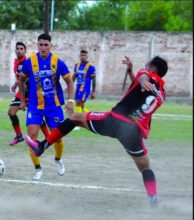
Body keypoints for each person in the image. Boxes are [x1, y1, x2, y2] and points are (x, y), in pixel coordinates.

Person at [25, 56, 168, 203]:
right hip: (134, 133)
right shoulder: (162, 94)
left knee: (75, 118)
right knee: (145, 168)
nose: (144, 66)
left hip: (117, 121)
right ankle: (153, 198)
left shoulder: (147, 75)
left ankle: (41, 146)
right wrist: (132, 73)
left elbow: (143, 78)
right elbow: (137, 88)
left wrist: (143, 79)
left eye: (147, 65)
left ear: (153, 69)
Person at [18, 33, 74, 180]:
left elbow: (69, 81)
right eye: (40, 45)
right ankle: (37, 168)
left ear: (51, 46)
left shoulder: (58, 62)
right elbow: (21, 80)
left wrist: (70, 101)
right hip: (34, 106)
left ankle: (57, 159)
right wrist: (23, 100)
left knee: (57, 138)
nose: (43, 47)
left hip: (53, 106)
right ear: (37, 45)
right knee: (31, 137)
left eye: (46, 45)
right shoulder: (30, 62)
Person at [8, 42, 50, 145]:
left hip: (31, 94)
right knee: (11, 112)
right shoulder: (17, 63)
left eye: (21, 48)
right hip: (22, 93)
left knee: (37, 117)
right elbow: (20, 78)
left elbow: (27, 79)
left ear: (25, 51)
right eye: (17, 48)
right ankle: (19, 136)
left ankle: (49, 138)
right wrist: (15, 85)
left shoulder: (26, 63)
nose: (19, 50)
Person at [72, 49, 97, 130]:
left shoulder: (91, 67)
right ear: (79, 56)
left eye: (84, 55)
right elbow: (74, 76)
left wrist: (93, 91)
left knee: (78, 104)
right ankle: (93, 116)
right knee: (81, 107)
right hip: (78, 88)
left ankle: (77, 124)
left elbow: (94, 79)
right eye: (81, 55)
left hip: (85, 89)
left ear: (87, 56)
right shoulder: (77, 65)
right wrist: (70, 86)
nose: (83, 57)